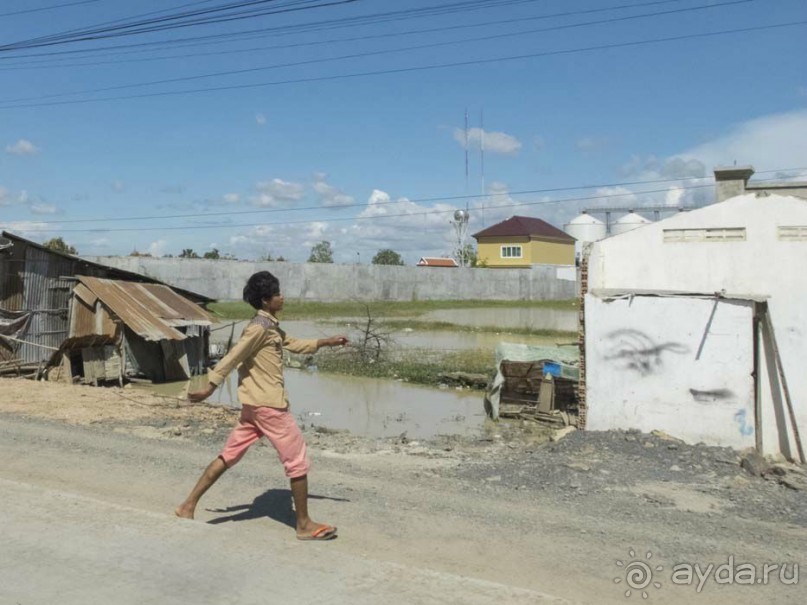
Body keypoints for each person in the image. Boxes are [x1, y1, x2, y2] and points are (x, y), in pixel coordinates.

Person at [175, 271, 348, 541]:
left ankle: (187, 506)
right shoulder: (259, 328)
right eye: (278, 294)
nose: (283, 297)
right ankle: (303, 524)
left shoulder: (271, 326)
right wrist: (211, 386)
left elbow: (293, 343)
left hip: (254, 408)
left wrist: (325, 342)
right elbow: (234, 356)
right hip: (270, 407)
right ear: (267, 300)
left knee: (229, 455)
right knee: (297, 461)